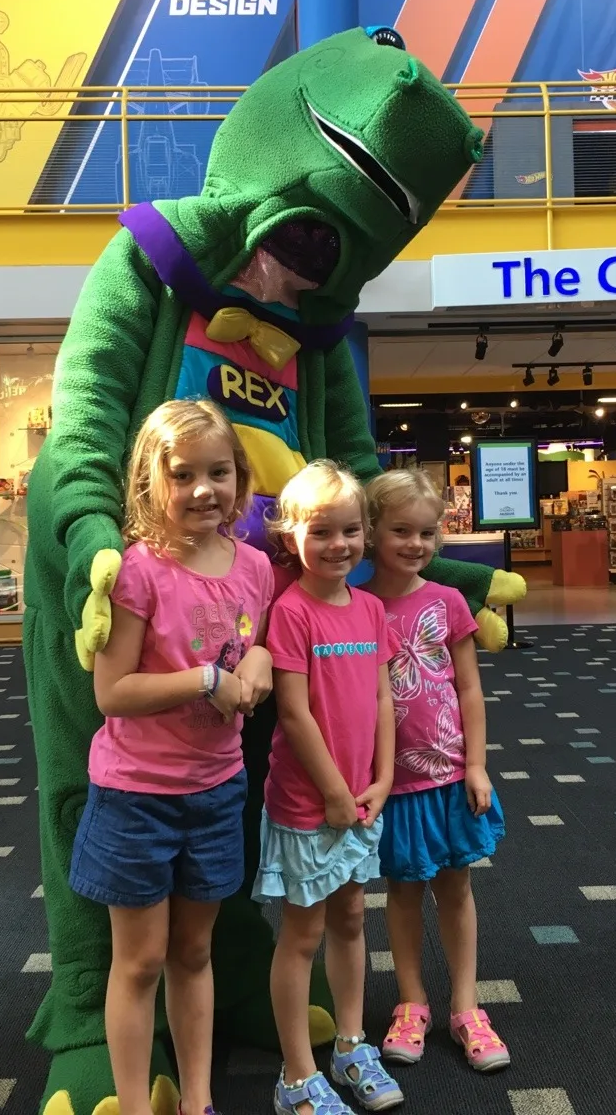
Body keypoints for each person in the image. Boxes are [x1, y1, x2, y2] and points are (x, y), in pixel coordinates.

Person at [70, 399, 275, 1115]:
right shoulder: (139, 571)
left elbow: (257, 641)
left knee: (195, 953)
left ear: (240, 478)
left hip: (217, 793)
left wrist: (257, 667)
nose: (201, 490)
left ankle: (197, 1101)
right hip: (136, 798)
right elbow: (112, 692)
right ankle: (133, 1105)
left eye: (217, 472)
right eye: (182, 474)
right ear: (151, 482)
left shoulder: (254, 566)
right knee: (142, 960)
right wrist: (206, 681)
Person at [254, 460, 404, 1115]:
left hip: (364, 796)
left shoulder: (371, 609)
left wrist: (384, 776)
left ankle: (350, 1042)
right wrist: (335, 793)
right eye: (321, 533)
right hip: (308, 804)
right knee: (304, 932)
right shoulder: (290, 613)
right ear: (291, 537)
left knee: (351, 918)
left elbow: (380, 697)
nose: (337, 545)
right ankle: (296, 1076)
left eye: (349, 531)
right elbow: (293, 712)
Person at [362, 470, 510, 1075]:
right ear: (372, 531)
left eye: (427, 532)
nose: (415, 543)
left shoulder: (447, 602)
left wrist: (477, 764)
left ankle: (467, 1005)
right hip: (392, 783)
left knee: (456, 889)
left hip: (449, 774)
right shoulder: (361, 605)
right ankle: (412, 1001)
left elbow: (470, 690)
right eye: (400, 530)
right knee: (400, 892)